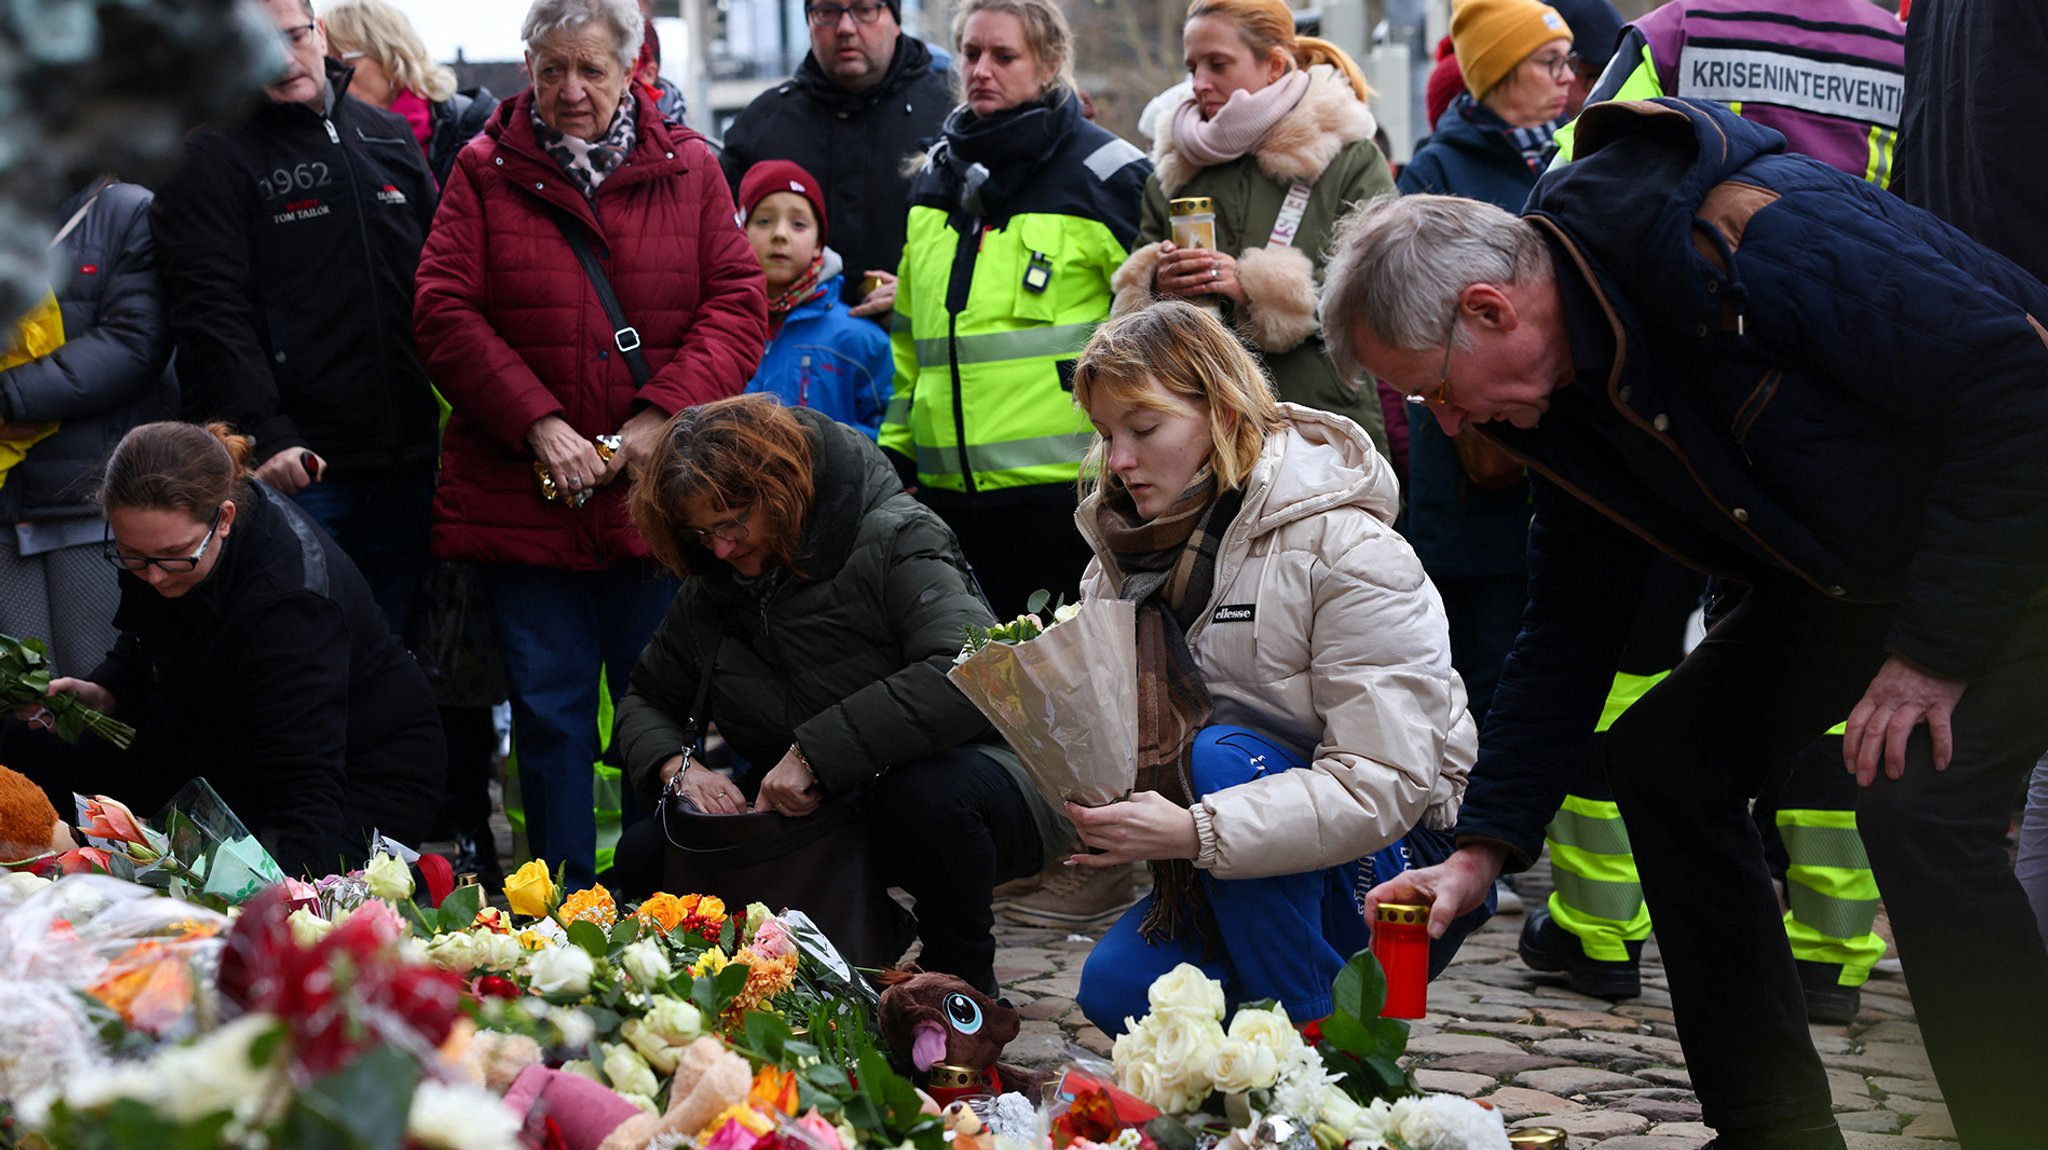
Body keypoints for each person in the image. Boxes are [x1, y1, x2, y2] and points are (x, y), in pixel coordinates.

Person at [1336, 98, 2048, 1150]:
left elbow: (2015, 382)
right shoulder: (1560, 404)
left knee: (1919, 802)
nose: (1449, 425)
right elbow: (1568, 625)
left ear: (1489, 311)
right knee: (1670, 763)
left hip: (2014, 522)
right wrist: (1480, 852)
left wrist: (1930, 657)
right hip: (1864, 571)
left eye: (1436, 392)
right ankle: (1773, 1130)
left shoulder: (1757, 238)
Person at [1525, 0, 1908, 1024]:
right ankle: (1830, 947)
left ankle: (1598, 929)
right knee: (1837, 680)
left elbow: (1568, 191)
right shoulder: (1897, 42)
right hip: (1853, 412)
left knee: (1624, 660)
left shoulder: (1674, 32)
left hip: (1680, 393)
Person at [413, 0, 767, 890]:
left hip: (657, 497)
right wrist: (539, 425)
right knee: (548, 715)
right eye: (551, 71)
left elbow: (736, 304)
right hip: (523, 495)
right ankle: (561, 906)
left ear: (632, 67)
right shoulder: (483, 169)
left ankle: (668, 901)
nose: (571, 91)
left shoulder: (691, 168)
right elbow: (442, 309)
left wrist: (658, 422)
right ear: (528, 68)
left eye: (592, 71)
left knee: (661, 711)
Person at [1058, 302, 1479, 1031]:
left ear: (1220, 410)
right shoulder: (1115, 565)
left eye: (1144, 429)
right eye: (1105, 435)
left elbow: (1386, 782)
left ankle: (1326, 1048)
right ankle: (1255, 1062)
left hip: (1395, 860)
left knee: (1220, 753)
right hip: (1233, 853)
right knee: (1120, 990)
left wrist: (1194, 832)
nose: (1119, 463)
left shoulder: (1348, 548)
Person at [611, 395, 1062, 996]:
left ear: (778, 488)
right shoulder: (713, 584)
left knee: (925, 795)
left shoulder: (897, 534)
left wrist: (811, 756)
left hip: (975, 785)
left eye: (733, 522)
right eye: (701, 532)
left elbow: (968, 672)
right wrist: (678, 768)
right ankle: (743, 982)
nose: (720, 548)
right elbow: (645, 697)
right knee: (650, 847)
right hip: (814, 810)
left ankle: (962, 985)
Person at [5, 421, 444, 877]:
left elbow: (307, 780)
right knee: (33, 742)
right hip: (220, 732)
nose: (153, 577)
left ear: (225, 520)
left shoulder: (289, 603)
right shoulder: (161, 547)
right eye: (133, 556)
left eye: (171, 557)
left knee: (254, 888)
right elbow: (145, 639)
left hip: (358, 767)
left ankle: (417, 878)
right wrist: (105, 690)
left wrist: (292, 902)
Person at [152, 0, 441, 638]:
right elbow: (210, 312)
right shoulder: (207, 156)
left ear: (320, 32)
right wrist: (265, 435)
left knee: (392, 659)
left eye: (293, 36)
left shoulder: (386, 136)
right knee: (306, 658)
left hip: (408, 460)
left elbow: (443, 288)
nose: (283, 60)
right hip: (299, 470)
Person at [880, 0, 1149, 626]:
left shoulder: (1110, 177)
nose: (981, 70)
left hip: (1071, 499)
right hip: (947, 501)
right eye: (971, 53)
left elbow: (1158, 335)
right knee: (976, 692)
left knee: (1077, 695)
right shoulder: (935, 179)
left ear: (1050, 63)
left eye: (1005, 56)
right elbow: (909, 345)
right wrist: (897, 457)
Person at [1108, 0, 1392, 461]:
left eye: (1217, 64)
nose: (1199, 83)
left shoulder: (1349, 157)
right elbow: (1127, 317)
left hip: (1320, 428)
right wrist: (1157, 286)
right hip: (1201, 439)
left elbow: (1382, 294)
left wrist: (1255, 289)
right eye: (1192, 66)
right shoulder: (1174, 168)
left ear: (1275, 65)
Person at [1395, 0, 1571, 736]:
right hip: (1476, 464)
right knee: (1488, 652)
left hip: (1561, 443)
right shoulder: (1441, 166)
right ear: (1498, 71)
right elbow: (1412, 314)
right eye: (1548, 62)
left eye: (1568, 61)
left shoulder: (1571, 151)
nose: (1568, 77)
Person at [0, 177, 176, 676]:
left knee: (101, 689)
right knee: (20, 701)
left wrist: (8, 400)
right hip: (5, 509)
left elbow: (133, 343)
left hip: (89, 507)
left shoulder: (126, 209)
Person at [718, 0, 953, 317]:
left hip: (920, 348)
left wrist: (921, 290)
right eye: (827, 11)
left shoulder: (950, 118)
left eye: (865, 9)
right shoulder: (763, 125)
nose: (845, 28)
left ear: (895, 20)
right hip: (792, 352)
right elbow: (718, 252)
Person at [737, 160, 893, 438]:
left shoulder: (860, 339)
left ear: (819, 241)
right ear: (741, 231)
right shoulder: (719, 332)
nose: (780, 235)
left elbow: (891, 433)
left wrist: (826, 447)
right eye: (764, 220)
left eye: (798, 224)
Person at [321, 0, 501, 186]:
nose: (335, 78)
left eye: (343, 64)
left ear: (389, 55)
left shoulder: (475, 126)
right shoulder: (329, 139)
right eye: (326, 67)